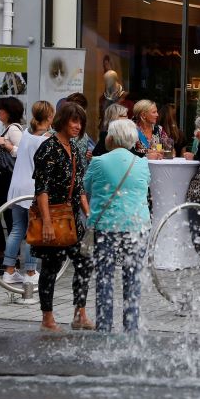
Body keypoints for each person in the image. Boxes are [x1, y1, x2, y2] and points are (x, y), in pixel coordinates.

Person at [84, 118, 151, 333]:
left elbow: (86, 187)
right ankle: (131, 328)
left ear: (110, 138)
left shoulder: (98, 162)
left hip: (106, 226)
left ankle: (104, 328)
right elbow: (145, 186)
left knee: (104, 277)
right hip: (137, 225)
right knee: (133, 278)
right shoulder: (142, 163)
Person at [33, 102, 93, 332]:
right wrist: (46, 222)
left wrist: (89, 214)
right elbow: (42, 189)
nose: (78, 126)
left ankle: (80, 314)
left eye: (80, 122)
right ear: (63, 121)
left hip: (71, 217)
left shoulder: (75, 149)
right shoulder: (49, 148)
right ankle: (47, 319)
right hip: (53, 216)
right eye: (73, 121)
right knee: (51, 266)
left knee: (84, 262)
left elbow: (79, 188)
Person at [2, 101, 53, 286]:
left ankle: (9, 270)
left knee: (17, 229)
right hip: (32, 189)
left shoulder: (25, 134)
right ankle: (30, 272)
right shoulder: (46, 138)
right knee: (33, 231)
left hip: (16, 186)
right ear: (49, 117)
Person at [0, 96, 25, 267]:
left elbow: (23, 152)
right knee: (7, 215)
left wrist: (5, 144)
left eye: (0, 110)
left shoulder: (13, 130)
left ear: (9, 112)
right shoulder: (8, 128)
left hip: (9, 177)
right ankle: (9, 255)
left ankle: (7, 255)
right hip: (6, 177)